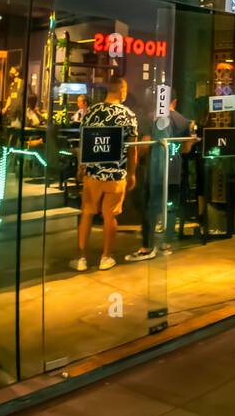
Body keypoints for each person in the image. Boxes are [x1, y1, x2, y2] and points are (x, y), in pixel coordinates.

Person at [73, 77, 138, 273]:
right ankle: (105, 257)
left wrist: (81, 166)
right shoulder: (128, 115)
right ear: (122, 90)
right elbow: (132, 149)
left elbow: (84, 142)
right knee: (110, 216)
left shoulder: (91, 112)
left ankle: (81, 259)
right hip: (115, 175)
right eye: (125, 89)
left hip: (92, 173)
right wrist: (132, 174)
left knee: (87, 213)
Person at [127, 94, 195, 262]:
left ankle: (148, 247)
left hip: (155, 169)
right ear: (175, 101)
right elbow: (186, 149)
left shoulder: (151, 118)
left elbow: (144, 146)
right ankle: (166, 244)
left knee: (152, 207)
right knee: (170, 206)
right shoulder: (183, 121)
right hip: (174, 169)